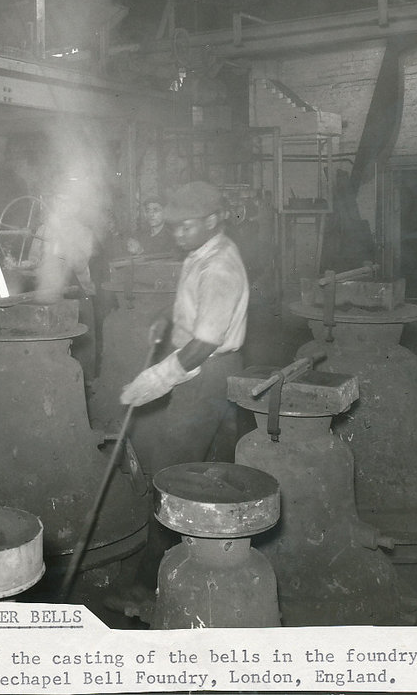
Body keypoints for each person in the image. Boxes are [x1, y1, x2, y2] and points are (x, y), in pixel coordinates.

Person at [106, 181, 249, 620]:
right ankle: (211, 562)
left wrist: (159, 377)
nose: (176, 234)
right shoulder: (202, 252)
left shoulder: (219, 267)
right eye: (172, 227)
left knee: (172, 478)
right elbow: (196, 309)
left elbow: (205, 343)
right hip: (210, 370)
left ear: (211, 220)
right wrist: (166, 317)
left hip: (204, 373)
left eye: (184, 226)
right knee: (211, 468)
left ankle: (150, 587)